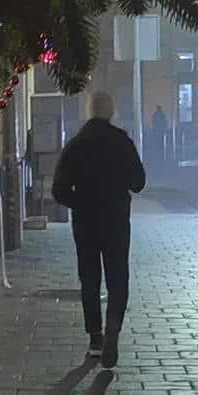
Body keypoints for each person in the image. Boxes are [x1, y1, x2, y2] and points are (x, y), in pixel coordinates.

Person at [52, 91, 147, 368]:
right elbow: (138, 182)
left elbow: (59, 189)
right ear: (112, 111)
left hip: (86, 222)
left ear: (89, 110)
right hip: (116, 219)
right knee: (118, 276)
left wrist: (79, 203)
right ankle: (113, 327)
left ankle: (95, 338)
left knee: (90, 277)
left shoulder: (77, 144)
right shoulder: (122, 142)